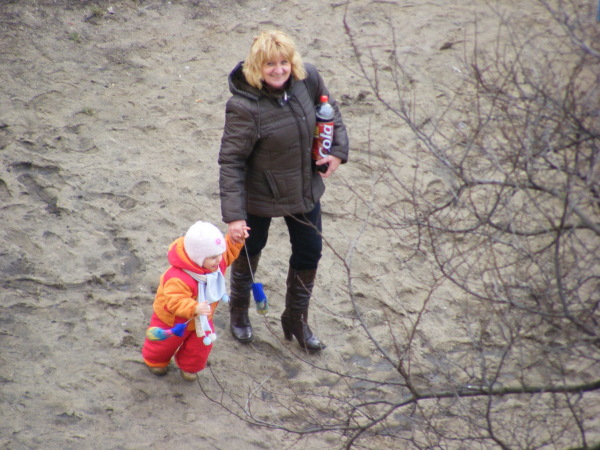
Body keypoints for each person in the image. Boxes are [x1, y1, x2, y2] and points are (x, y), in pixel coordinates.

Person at [218, 30, 350, 352]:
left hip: (304, 188)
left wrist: (337, 151)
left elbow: (330, 112)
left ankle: (295, 318)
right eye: (270, 64)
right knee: (249, 250)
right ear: (256, 67)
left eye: (284, 62)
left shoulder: (309, 78)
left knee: (309, 252)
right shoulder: (243, 107)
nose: (279, 70)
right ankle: (238, 311)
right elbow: (231, 162)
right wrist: (235, 217)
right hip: (260, 193)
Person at [141, 221, 248, 381]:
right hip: (173, 319)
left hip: (203, 317)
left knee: (200, 347)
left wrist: (235, 240)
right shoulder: (178, 277)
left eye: (219, 254)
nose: (219, 259)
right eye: (213, 257)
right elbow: (175, 301)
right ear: (198, 258)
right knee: (164, 344)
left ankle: (189, 368)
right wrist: (194, 307)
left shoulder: (214, 265)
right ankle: (156, 362)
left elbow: (227, 252)